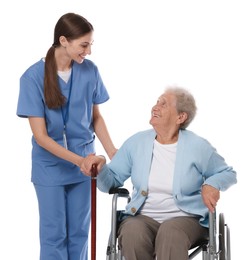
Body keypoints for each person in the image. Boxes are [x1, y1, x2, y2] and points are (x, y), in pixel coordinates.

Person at [81, 86, 237, 260]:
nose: (155, 107)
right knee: (132, 232)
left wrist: (212, 184)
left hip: (186, 219)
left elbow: (227, 173)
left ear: (181, 117)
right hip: (142, 217)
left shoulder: (197, 146)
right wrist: (101, 166)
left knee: (170, 233)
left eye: (164, 104)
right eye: (157, 102)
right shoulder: (136, 143)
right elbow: (112, 181)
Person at [16, 13, 117, 260]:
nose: (89, 51)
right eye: (84, 45)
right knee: (54, 235)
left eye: (91, 44)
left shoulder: (90, 71)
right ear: (63, 40)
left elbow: (96, 118)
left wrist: (114, 152)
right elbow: (41, 137)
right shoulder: (32, 77)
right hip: (50, 167)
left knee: (80, 234)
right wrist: (79, 161)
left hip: (85, 164)